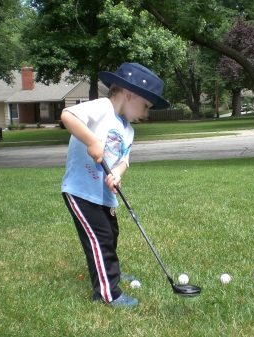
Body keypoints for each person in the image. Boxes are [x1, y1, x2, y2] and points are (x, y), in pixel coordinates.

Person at [61, 63, 170, 308]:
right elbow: (68, 116)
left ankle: (111, 273)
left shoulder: (128, 130)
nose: (146, 113)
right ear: (129, 94)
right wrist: (91, 141)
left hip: (104, 194)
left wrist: (117, 174)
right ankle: (108, 293)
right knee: (99, 237)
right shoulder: (102, 107)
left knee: (110, 235)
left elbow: (124, 161)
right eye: (146, 106)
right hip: (81, 191)